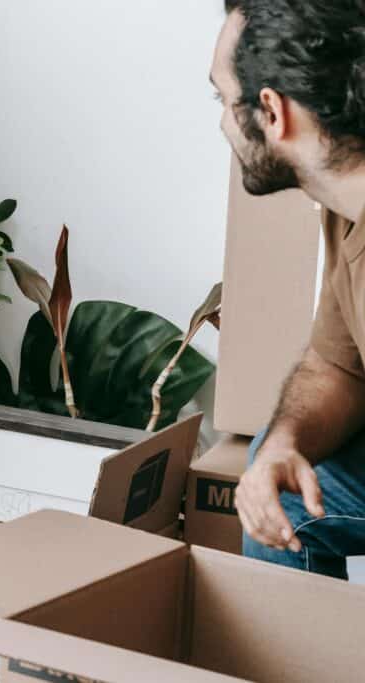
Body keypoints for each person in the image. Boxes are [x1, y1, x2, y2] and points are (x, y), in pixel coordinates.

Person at [212, 0, 365, 579]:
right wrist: (282, 445)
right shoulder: (345, 202)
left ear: (273, 113)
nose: (223, 123)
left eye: (224, 100)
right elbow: (338, 364)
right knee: (277, 477)